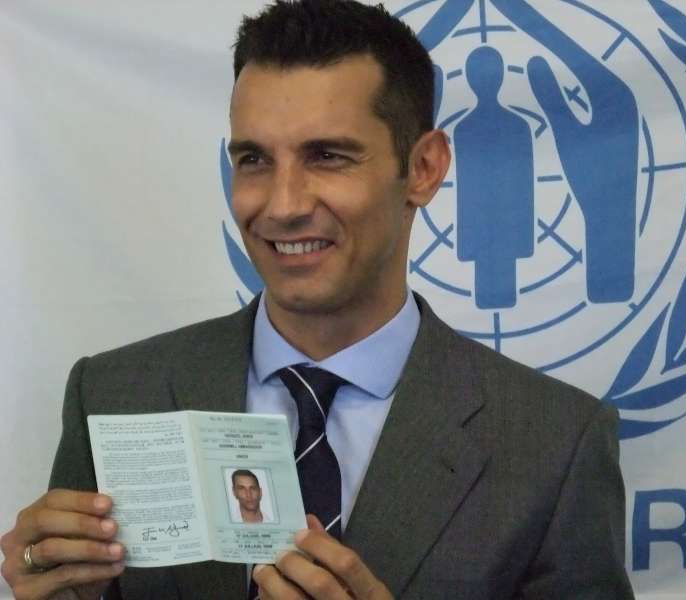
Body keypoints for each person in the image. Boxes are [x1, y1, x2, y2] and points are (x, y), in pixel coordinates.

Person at [0, 1, 634, 598]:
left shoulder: (556, 444)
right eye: (253, 160)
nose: (282, 206)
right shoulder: (113, 396)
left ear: (422, 168)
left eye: (327, 156)